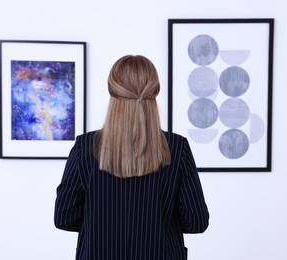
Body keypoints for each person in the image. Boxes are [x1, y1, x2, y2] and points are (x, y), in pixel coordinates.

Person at [54, 55, 209, 260]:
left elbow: (64, 217)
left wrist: (101, 224)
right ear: (154, 91)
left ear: (113, 90)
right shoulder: (177, 148)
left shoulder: (85, 147)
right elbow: (196, 221)